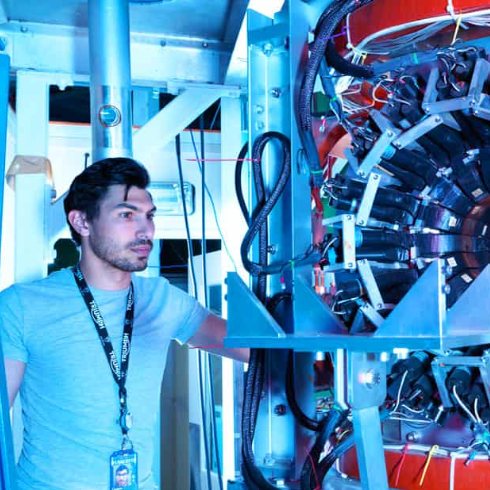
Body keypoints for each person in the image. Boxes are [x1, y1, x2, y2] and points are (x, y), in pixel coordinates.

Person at [0, 157, 248, 490]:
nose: (145, 230)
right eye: (126, 215)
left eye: (149, 216)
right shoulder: (23, 305)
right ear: (82, 222)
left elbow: (253, 348)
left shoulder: (163, 299)